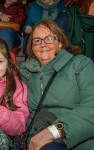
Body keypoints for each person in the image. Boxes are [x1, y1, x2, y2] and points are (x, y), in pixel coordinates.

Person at [19, 20, 94, 150]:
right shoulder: (25, 74)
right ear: (31, 47)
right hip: (36, 142)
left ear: (60, 42)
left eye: (49, 39)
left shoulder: (80, 65)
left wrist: (55, 131)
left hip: (76, 139)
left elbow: (91, 107)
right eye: (37, 40)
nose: (43, 44)